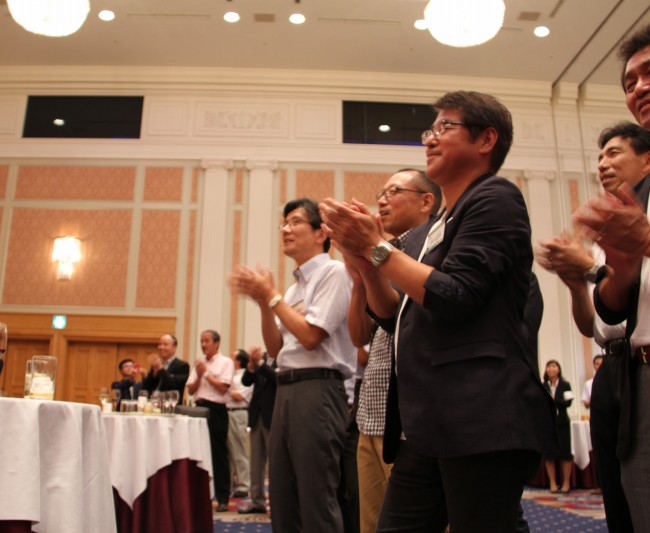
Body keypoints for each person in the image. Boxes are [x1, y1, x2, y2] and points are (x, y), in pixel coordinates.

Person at [320, 90, 556, 532]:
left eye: (445, 127)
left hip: (479, 415)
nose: (430, 138)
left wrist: (376, 247)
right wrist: (366, 264)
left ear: (486, 139)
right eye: (430, 129)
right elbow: (394, 318)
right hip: (427, 420)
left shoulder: (495, 197)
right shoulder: (431, 229)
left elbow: (455, 295)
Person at [574, 15, 650, 531]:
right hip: (639, 384)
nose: (638, 87)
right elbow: (614, 308)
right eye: (628, 82)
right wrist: (616, 270)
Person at [538, 120, 650, 532]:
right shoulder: (600, 236)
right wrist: (576, 284)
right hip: (612, 368)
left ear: (649, 160)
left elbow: (641, 294)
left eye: (614, 153)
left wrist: (590, 268)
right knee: (617, 489)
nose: (603, 163)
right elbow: (591, 326)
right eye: (600, 156)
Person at [229, 197, 356, 532]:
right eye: (283, 223)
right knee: (283, 501)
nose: (285, 229)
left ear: (321, 233)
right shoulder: (292, 289)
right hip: (286, 389)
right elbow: (276, 348)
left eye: (295, 221)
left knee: (316, 501)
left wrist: (271, 296)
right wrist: (264, 303)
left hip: (319, 389)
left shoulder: (334, 273)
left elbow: (312, 336)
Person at [345, 168, 442, 533]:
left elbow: (414, 319)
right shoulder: (383, 252)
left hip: (408, 422)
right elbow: (359, 337)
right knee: (372, 524)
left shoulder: (436, 249)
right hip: (371, 413)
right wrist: (359, 278)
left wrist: (374, 254)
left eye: (393, 192)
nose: (382, 201)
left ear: (426, 201)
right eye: (380, 194)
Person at [186, 329, 235, 512]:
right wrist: (199, 375)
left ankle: (222, 497)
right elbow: (191, 390)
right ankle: (200, 495)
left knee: (218, 454)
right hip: (198, 408)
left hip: (217, 410)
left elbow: (223, 388)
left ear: (217, 343)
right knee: (197, 452)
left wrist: (206, 374)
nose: (203, 344)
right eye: (201, 341)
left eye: (207, 341)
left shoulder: (226, 362)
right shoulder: (199, 364)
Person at [238, 346, 276, 515]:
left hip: (273, 416)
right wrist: (251, 367)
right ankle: (257, 501)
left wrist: (259, 363)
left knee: (275, 463)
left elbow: (275, 378)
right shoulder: (262, 359)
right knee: (256, 462)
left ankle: (277, 503)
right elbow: (246, 381)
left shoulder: (284, 358)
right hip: (257, 416)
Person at [542, 360, 575, 493]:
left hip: (562, 422)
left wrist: (555, 400)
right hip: (548, 423)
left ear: (558, 369)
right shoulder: (543, 385)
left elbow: (568, 403)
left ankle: (566, 482)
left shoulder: (565, 385)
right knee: (549, 453)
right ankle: (552, 482)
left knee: (565, 453)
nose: (551, 369)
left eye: (554, 366)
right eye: (549, 366)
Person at [227, 349, 253, 499]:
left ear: (238, 361)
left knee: (239, 450)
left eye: (232, 357)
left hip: (239, 413)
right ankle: (229, 484)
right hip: (227, 412)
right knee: (228, 452)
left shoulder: (245, 376)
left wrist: (224, 388)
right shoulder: (231, 375)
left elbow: (239, 396)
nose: (230, 359)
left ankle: (244, 485)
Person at [141, 334, 190, 405]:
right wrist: (152, 374)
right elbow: (147, 387)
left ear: (174, 348)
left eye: (165, 344)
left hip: (171, 406)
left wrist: (160, 368)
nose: (161, 347)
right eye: (159, 344)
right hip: (152, 404)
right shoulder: (156, 365)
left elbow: (173, 384)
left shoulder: (182, 365)